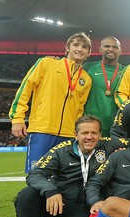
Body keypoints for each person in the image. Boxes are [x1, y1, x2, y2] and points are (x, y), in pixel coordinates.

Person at [15, 115, 127, 217]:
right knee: (26, 196)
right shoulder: (61, 151)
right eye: (84, 133)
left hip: (89, 207)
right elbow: (35, 174)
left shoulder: (109, 145)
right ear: (76, 134)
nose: (89, 137)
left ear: (100, 135)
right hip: (61, 204)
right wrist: (51, 191)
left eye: (94, 133)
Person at [9, 32, 92, 173]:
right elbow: (25, 89)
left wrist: (77, 131)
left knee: (64, 175)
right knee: (37, 173)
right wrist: (17, 118)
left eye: (84, 47)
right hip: (42, 129)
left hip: (69, 134)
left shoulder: (86, 79)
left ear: (89, 53)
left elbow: (79, 109)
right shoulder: (46, 63)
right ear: (67, 48)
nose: (79, 49)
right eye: (76, 45)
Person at [83, 36, 124, 137]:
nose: (110, 49)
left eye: (115, 47)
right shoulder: (87, 68)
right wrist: (56, 61)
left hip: (116, 126)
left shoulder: (126, 71)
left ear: (120, 51)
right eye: (107, 46)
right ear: (100, 49)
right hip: (91, 125)